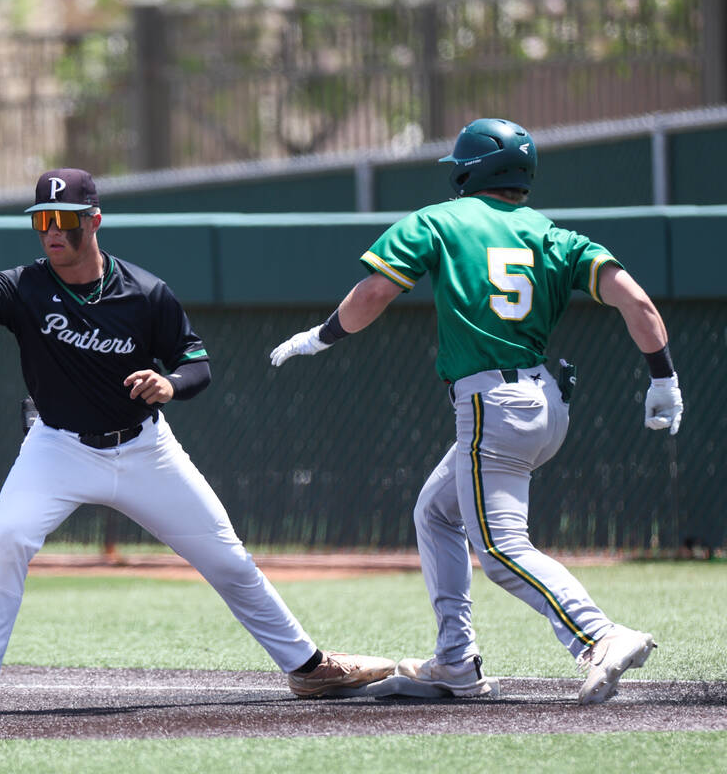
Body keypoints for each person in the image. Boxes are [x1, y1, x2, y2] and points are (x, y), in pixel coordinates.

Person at [0, 166, 396, 716]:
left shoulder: (144, 291)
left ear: (95, 221)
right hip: (57, 447)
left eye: (65, 219)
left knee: (228, 560)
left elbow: (197, 365)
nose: (52, 232)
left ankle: (308, 668)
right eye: (43, 220)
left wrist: (171, 383)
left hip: (143, 449)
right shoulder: (25, 287)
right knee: (8, 537)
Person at [269, 117, 683, 705]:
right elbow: (636, 301)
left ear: (468, 170)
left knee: (500, 549)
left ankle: (600, 634)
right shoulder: (554, 235)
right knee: (436, 514)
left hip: (495, 405)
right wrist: (664, 379)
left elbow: (373, 294)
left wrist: (322, 336)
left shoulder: (440, 219)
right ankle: (456, 662)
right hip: (545, 406)